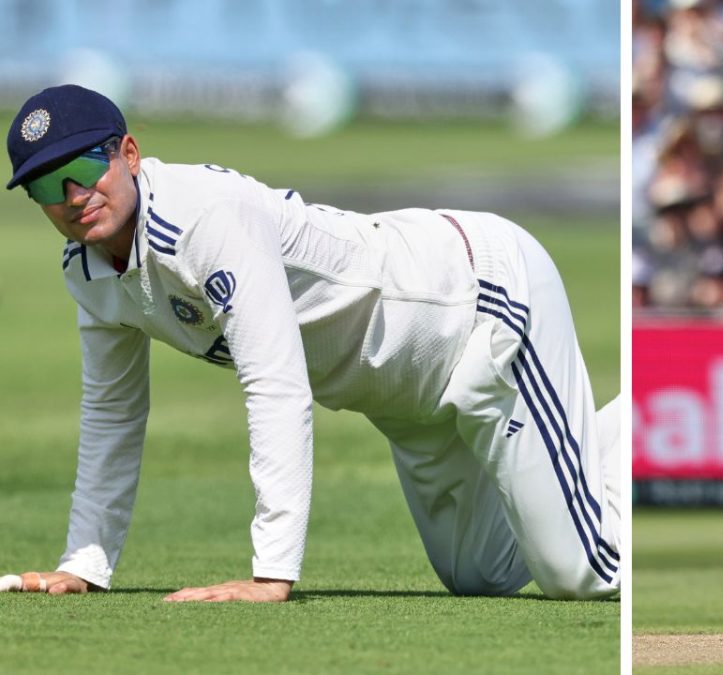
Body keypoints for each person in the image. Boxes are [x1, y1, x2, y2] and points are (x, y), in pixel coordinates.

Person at [1, 85, 621, 602]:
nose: (72, 199)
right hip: (402, 398)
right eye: (45, 189)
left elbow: (275, 384)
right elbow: (112, 412)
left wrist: (271, 573)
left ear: (129, 153)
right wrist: (84, 562)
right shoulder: (86, 270)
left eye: (83, 170)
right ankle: (583, 440)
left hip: (477, 305)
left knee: (586, 572)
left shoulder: (208, 218)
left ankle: (643, 409)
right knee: (481, 576)